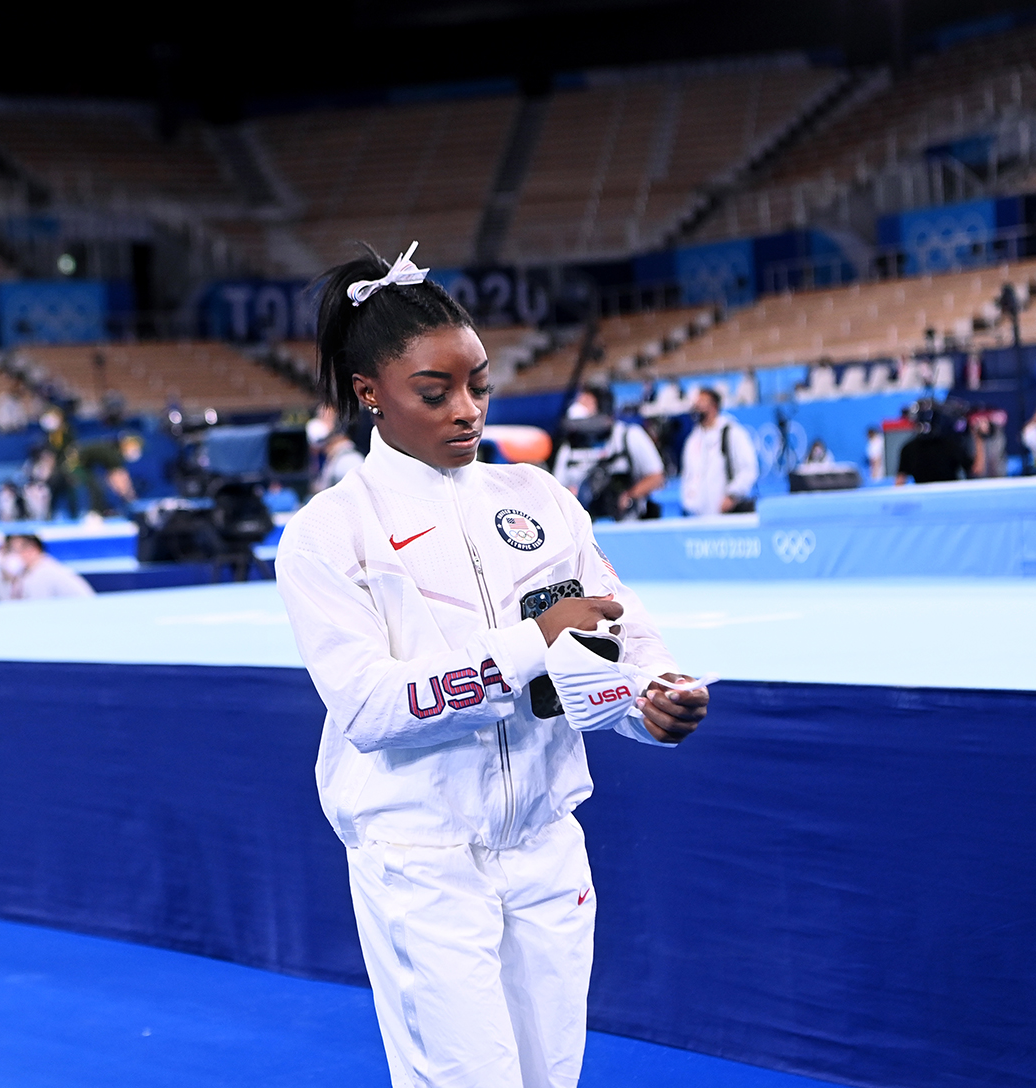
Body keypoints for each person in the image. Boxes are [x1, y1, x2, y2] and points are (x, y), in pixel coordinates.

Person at [275, 243, 709, 1088]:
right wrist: (533, 642)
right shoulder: (332, 533)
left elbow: (618, 632)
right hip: (422, 856)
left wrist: (650, 699)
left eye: (479, 386)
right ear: (370, 395)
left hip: (547, 845)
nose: (466, 410)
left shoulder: (539, 499)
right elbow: (368, 710)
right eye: (434, 393)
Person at [560, 397, 666, 521]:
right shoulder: (569, 448)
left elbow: (657, 477)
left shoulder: (628, 436)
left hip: (627, 523)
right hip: (586, 523)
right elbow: (558, 487)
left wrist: (629, 495)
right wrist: (569, 496)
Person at [0, 533, 96, 603]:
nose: (6, 556)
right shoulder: (16, 577)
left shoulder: (48, 574)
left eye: (11, 550)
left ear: (33, 550)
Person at [679, 387, 757, 516]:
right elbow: (688, 474)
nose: (697, 406)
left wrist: (733, 495)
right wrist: (688, 502)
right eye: (696, 403)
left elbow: (748, 469)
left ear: (714, 406)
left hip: (726, 511)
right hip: (698, 514)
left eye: (702, 402)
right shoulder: (693, 440)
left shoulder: (732, 433)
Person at [895, 401, 976, 485]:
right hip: (925, 495)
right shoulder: (908, 449)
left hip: (947, 494)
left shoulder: (951, 445)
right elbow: (900, 480)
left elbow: (974, 470)